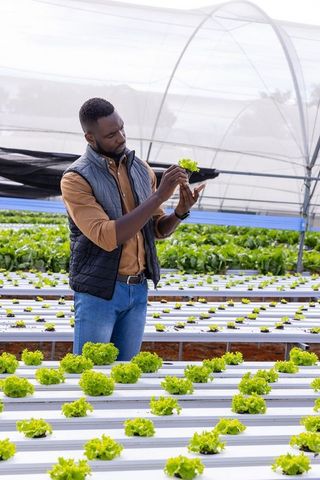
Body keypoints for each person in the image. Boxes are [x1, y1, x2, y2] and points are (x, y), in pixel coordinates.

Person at [61, 97, 205, 360]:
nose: (121, 138)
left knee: (127, 378)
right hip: (99, 293)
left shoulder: (141, 169)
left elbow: (157, 229)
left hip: (137, 290)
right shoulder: (76, 179)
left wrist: (180, 211)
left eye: (122, 128)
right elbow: (107, 237)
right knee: (91, 373)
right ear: (90, 138)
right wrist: (159, 196)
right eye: (111, 134)